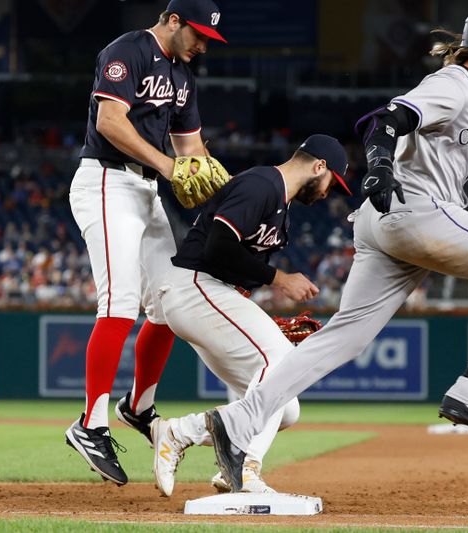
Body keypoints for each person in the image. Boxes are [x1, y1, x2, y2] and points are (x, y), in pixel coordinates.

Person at [199, 6, 468, 492]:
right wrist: (379, 165)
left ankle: (241, 422)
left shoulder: (465, 94)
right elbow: (386, 120)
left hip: (380, 223)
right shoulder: (455, 82)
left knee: (344, 337)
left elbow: (435, 129)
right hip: (417, 214)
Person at [64, 0, 227, 486]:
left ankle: (138, 406)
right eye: (196, 34)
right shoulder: (128, 51)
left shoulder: (183, 76)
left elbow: (192, 151)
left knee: (170, 303)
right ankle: (90, 424)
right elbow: (110, 122)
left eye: (207, 39)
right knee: (120, 302)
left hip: (145, 190)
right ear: (172, 20)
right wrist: (166, 166)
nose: (201, 45)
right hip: (106, 182)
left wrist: (230, 198)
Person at [150, 135, 351, 496]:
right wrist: (280, 278)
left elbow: (238, 271)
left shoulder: (281, 209)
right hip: (193, 284)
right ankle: (223, 457)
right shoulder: (263, 184)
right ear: (319, 166)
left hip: (212, 295)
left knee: (284, 405)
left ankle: (218, 459)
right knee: (281, 365)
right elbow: (218, 246)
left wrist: (265, 323)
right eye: (331, 182)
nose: (328, 193)